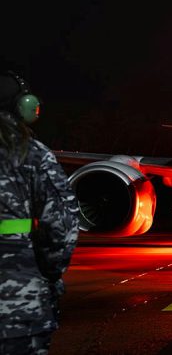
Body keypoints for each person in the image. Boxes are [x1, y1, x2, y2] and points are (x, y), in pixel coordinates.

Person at [0, 71, 79, 354]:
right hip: (16, 303)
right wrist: (48, 276)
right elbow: (61, 227)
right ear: (25, 106)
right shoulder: (31, 154)